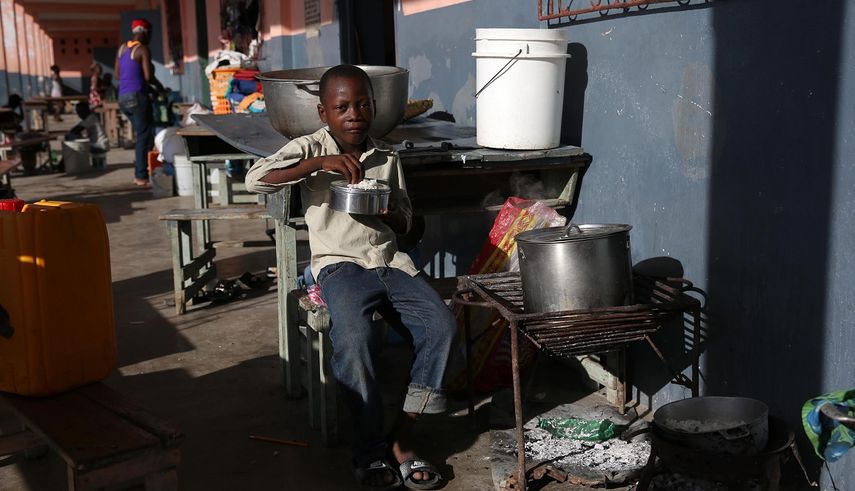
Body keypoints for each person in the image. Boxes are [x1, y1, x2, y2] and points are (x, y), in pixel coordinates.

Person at [245, 65, 453, 491]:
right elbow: (256, 179)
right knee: (355, 338)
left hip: (391, 263)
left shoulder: (387, 157)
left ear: (375, 108)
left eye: (363, 104)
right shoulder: (309, 148)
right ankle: (369, 449)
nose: (354, 114)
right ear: (324, 113)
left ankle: (400, 438)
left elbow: (410, 228)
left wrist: (390, 213)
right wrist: (317, 163)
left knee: (442, 326)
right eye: (342, 107)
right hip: (339, 265)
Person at [115, 18, 163, 187]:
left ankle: (143, 170)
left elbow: (118, 75)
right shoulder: (142, 49)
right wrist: (160, 88)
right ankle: (141, 175)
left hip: (122, 97)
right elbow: (148, 76)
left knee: (141, 135)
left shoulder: (122, 48)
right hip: (137, 97)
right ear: (145, 33)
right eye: (150, 34)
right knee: (144, 136)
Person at [67, 102, 109, 168]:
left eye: (80, 112)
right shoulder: (88, 119)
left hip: (100, 145)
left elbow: (77, 129)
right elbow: (76, 128)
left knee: (75, 143)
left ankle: (74, 164)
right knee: (74, 138)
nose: (79, 115)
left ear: (86, 111)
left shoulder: (91, 118)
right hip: (97, 143)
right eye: (78, 112)